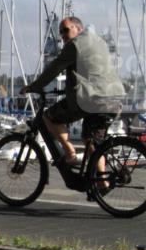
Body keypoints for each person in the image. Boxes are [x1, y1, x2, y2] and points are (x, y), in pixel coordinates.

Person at [22, 16, 125, 176]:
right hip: (113, 98)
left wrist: (33, 87)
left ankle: (70, 154)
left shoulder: (75, 45)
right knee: (93, 143)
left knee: (49, 117)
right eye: (60, 32)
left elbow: (54, 69)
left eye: (66, 30)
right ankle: (102, 183)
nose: (62, 35)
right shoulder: (99, 41)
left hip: (92, 100)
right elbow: (91, 72)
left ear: (78, 28)